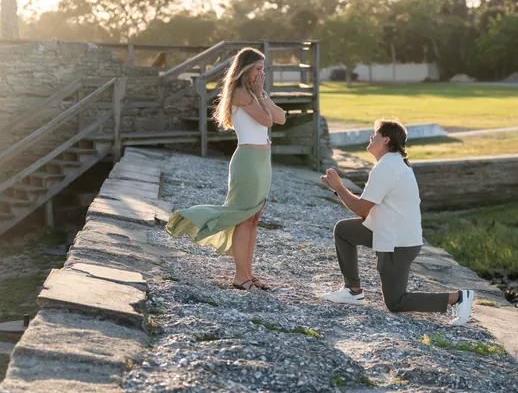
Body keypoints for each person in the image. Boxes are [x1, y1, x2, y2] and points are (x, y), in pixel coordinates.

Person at [320, 119, 475, 326]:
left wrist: (339, 188)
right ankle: (352, 291)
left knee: (395, 302)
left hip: (399, 243)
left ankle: (457, 298)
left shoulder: (387, 168)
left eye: (374, 135)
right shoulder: (390, 164)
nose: (371, 137)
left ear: (385, 140)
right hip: (387, 232)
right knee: (344, 230)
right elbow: (369, 212)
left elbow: (361, 209)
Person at [165, 47, 286, 291]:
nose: (262, 74)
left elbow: (281, 118)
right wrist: (261, 94)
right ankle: (240, 277)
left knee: (253, 219)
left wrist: (262, 94)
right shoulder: (242, 93)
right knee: (242, 217)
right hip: (248, 160)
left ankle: (248, 275)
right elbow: (267, 120)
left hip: (262, 160)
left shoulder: (254, 92)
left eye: (263, 69)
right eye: (258, 69)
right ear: (246, 70)